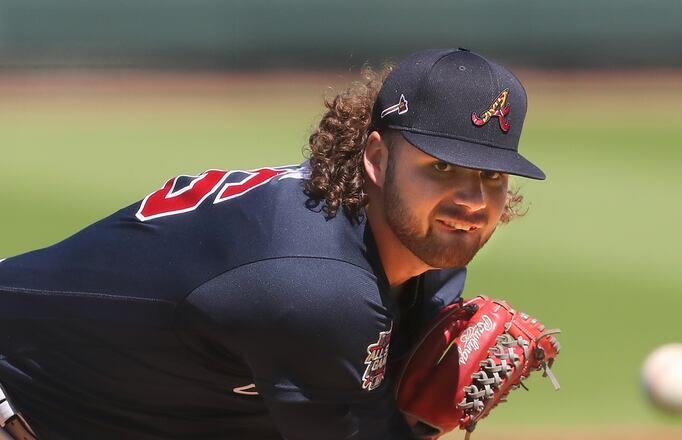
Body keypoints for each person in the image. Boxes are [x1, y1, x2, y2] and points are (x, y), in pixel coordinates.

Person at [0, 48, 546, 440]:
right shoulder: (313, 282)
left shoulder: (422, 259)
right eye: (442, 166)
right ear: (376, 160)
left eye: (492, 177)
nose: (472, 199)